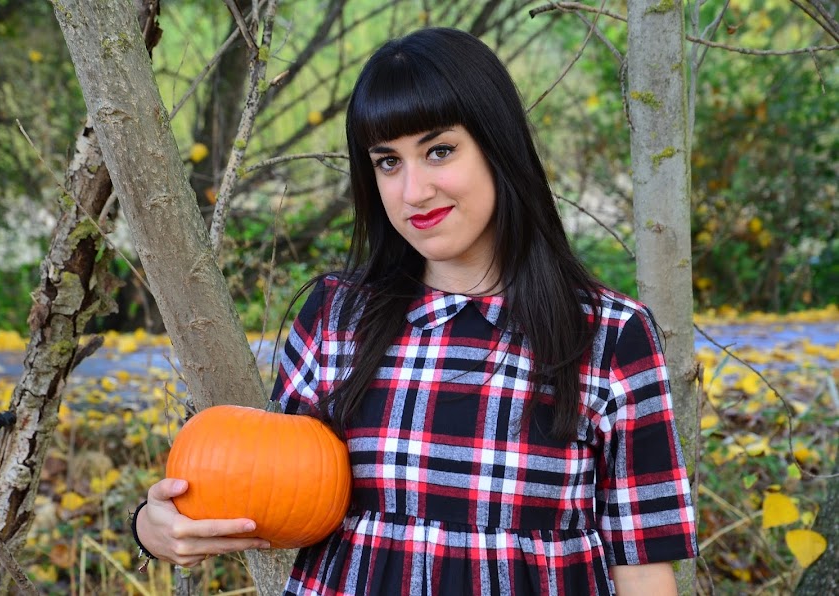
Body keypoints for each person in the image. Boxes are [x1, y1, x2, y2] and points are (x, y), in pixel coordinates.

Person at [133, 27, 698, 595]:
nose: (414, 191)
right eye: (388, 162)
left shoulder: (609, 335)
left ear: (497, 146)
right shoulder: (337, 317)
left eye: (439, 151)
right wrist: (153, 528)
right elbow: (265, 486)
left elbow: (642, 563)